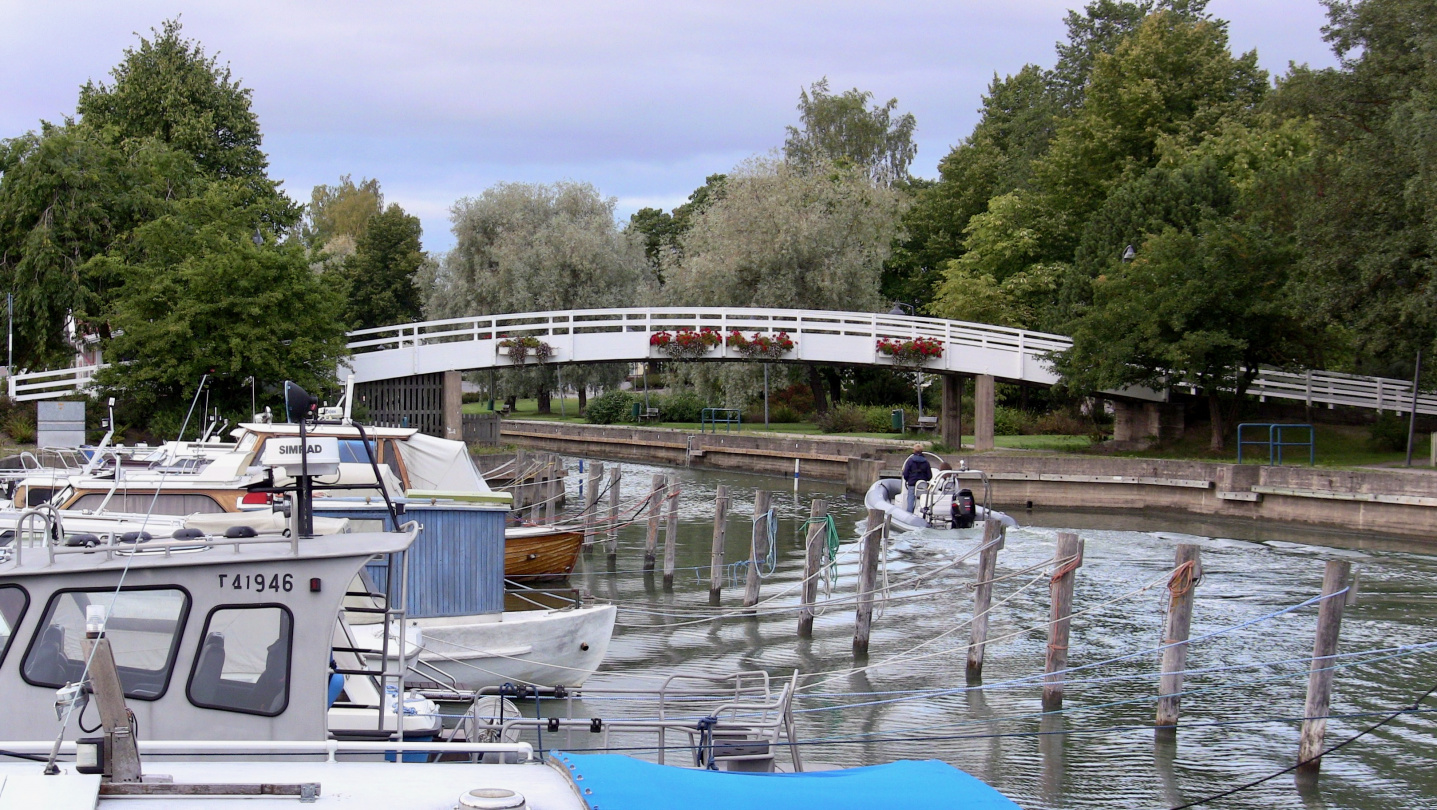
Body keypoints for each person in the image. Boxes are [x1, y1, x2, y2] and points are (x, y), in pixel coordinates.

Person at [901, 443, 932, 513]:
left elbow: (905, 473)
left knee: (910, 499)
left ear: (914, 450)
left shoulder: (910, 461)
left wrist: (908, 480)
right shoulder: (926, 462)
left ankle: (909, 513)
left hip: (912, 483)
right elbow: (929, 476)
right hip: (922, 485)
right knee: (924, 499)